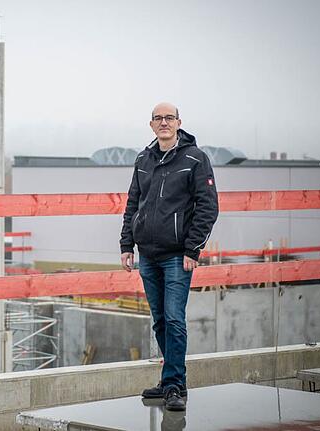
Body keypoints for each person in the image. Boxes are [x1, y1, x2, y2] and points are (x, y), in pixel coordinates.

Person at [119, 102, 218, 411]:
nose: (164, 122)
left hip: (177, 256)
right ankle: (173, 380)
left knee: (174, 318)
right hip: (147, 254)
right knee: (160, 320)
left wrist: (193, 249)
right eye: (158, 118)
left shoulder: (195, 159)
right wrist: (126, 245)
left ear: (179, 122)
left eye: (169, 118)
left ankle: (173, 384)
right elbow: (133, 203)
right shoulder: (143, 159)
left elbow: (208, 206)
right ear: (151, 125)